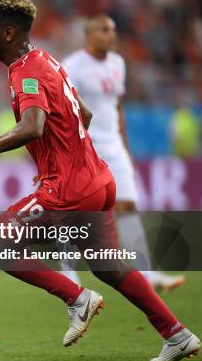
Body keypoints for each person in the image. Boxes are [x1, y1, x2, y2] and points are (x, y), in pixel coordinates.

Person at [0, 0, 201, 361]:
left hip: (68, 188)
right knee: (110, 267)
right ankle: (177, 334)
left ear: (9, 33)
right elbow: (85, 114)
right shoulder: (47, 59)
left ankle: (76, 298)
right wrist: (62, 153)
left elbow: (33, 126)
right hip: (97, 178)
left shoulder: (24, 73)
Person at [60, 15, 185, 292]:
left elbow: (116, 108)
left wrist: (124, 149)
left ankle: (149, 274)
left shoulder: (118, 64)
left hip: (113, 144)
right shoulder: (72, 67)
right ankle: (68, 275)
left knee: (128, 206)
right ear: (89, 35)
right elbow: (65, 111)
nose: (111, 35)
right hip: (85, 145)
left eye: (113, 30)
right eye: (105, 30)